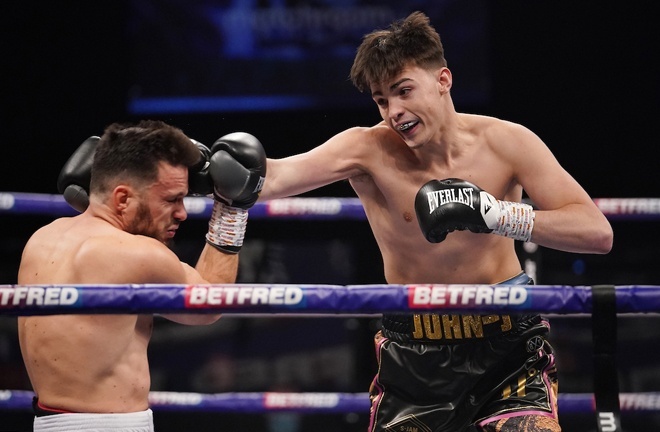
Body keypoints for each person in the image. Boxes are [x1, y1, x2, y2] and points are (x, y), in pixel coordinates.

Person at [259, 11, 613, 432]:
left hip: (507, 344)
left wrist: (497, 215)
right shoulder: (367, 149)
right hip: (414, 353)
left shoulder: (507, 142)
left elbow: (597, 232)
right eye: (381, 99)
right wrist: (204, 166)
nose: (394, 111)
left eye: (404, 91)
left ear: (443, 80)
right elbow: (273, 177)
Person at [17, 120, 266, 431]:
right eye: (172, 199)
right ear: (122, 199)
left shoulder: (41, 239)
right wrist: (232, 210)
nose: (183, 213)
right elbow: (209, 303)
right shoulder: (136, 253)